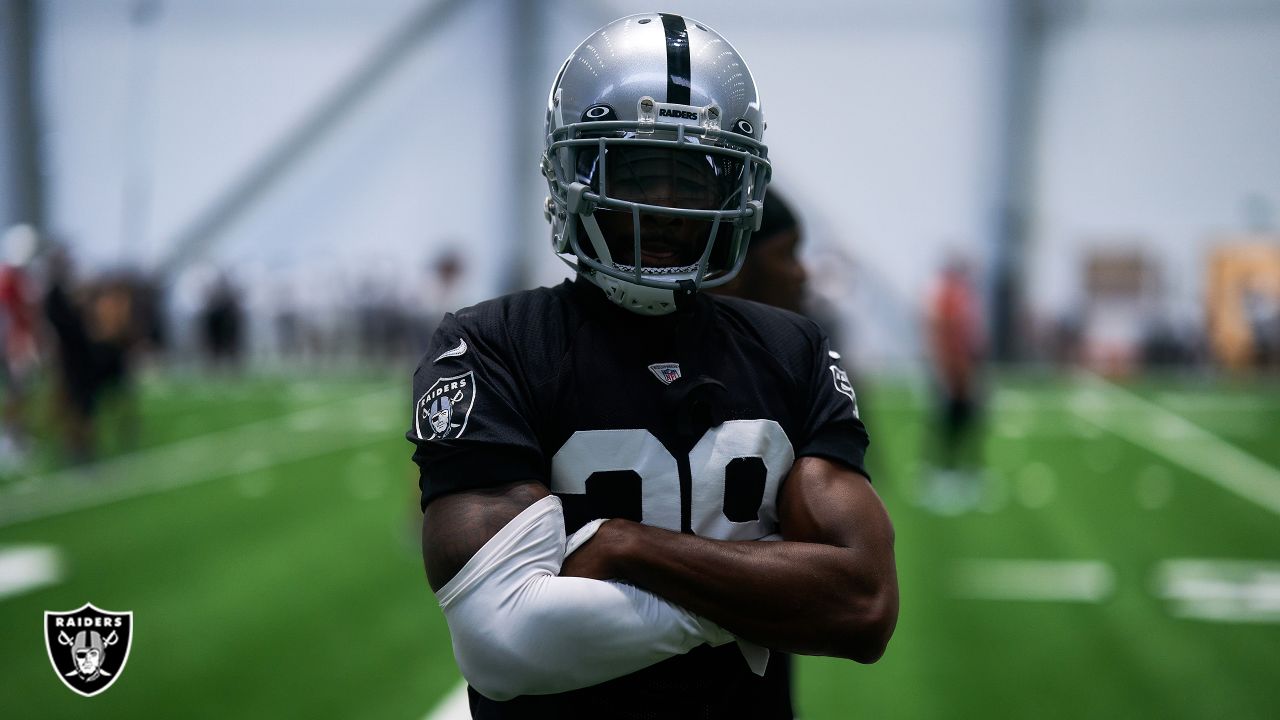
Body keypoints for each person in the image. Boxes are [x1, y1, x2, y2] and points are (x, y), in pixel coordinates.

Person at [407, 14, 897, 718]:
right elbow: (504, 642)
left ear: (737, 190)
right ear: (571, 175)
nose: (662, 207)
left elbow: (863, 602)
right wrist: (756, 602)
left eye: (693, 176)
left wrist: (626, 547)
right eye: (636, 169)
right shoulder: (495, 344)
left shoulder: (794, 349)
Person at [922, 256, 986, 513]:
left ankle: (958, 468)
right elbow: (942, 334)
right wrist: (946, 368)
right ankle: (942, 470)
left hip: (963, 366)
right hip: (952, 368)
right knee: (949, 419)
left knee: (964, 418)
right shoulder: (946, 298)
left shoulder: (958, 296)